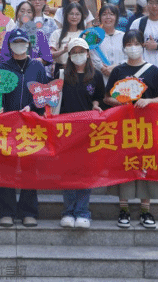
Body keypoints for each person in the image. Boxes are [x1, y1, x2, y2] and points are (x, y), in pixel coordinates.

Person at [105, 29, 158, 229]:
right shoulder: (118, 71)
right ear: (124, 47)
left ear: (142, 45)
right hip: (124, 126)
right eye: (128, 44)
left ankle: (145, 210)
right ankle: (123, 209)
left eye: (136, 44)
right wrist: (120, 102)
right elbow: (107, 97)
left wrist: (148, 101)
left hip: (147, 126)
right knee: (124, 163)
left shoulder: (153, 71)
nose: (132, 47)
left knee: (146, 163)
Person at [0, 28, 49, 228]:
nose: (19, 45)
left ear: (28, 45)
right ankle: (7, 211)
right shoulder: (3, 67)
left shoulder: (37, 66)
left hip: (31, 123)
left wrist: (33, 107)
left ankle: (28, 211)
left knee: (30, 166)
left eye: (22, 42)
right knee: (7, 167)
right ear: (9, 46)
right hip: (8, 124)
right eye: (15, 42)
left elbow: (44, 94)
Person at [59, 37, 104, 229]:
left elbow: (98, 98)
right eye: (74, 52)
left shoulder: (96, 76)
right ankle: (68, 212)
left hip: (88, 131)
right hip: (66, 131)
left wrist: (96, 105)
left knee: (86, 173)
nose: (78, 55)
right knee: (68, 172)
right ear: (69, 55)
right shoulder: (61, 75)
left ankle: (83, 212)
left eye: (81, 51)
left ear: (88, 53)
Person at [50, 2, 85, 78]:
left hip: (80, 70)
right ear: (66, 15)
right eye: (71, 14)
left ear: (81, 16)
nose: (74, 17)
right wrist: (63, 51)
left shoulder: (84, 34)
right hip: (61, 69)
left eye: (77, 14)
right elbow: (50, 54)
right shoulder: (57, 33)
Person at [97, 4, 126, 86]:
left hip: (121, 78)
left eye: (111, 14)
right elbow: (93, 56)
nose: (108, 17)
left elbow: (128, 57)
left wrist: (116, 67)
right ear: (100, 18)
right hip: (101, 77)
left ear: (116, 17)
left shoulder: (123, 36)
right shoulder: (95, 37)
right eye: (104, 14)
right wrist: (101, 67)